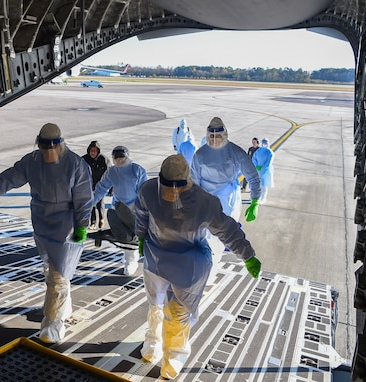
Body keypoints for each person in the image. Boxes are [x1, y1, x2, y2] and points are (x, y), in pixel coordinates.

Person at [135, 154, 262, 380]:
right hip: (167, 261)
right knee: (160, 306)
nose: (172, 193)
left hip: (179, 261)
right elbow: (142, 215)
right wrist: (141, 237)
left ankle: (165, 353)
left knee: (174, 310)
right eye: (168, 187)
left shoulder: (200, 201)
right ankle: (159, 349)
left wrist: (247, 255)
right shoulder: (152, 192)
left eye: (177, 188)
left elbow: (227, 230)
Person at [0, 123, 92, 343]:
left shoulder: (76, 165)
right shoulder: (32, 162)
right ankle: (64, 307)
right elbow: (7, 179)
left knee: (58, 276)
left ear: (60, 145)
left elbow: (83, 198)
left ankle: (52, 327)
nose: (48, 153)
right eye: (44, 149)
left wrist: (82, 224)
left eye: (52, 148)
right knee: (52, 273)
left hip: (65, 229)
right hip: (42, 226)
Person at [90, 146, 148, 276]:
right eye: (117, 158)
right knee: (124, 236)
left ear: (127, 157)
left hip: (136, 208)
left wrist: (141, 210)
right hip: (119, 207)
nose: (119, 160)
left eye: (122, 157)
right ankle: (129, 256)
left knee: (133, 237)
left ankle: (131, 260)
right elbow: (101, 188)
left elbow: (144, 191)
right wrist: (91, 203)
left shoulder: (137, 170)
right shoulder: (112, 172)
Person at [191, 117, 261, 222]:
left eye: (217, 136)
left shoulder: (235, 152)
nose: (214, 139)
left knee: (227, 233)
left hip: (229, 203)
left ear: (224, 135)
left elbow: (253, 176)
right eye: (212, 136)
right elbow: (193, 181)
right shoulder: (200, 154)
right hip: (205, 204)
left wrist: (255, 201)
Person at [82, 141, 110, 230]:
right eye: (91, 150)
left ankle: (102, 219)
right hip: (88, 185)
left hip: (100, 185)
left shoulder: (103, 160)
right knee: (91, 203)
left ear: (98, 151)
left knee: (100, 202)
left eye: (95, 151)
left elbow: (110, 174)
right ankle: (93, 221)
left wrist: (111, 189)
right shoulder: (84, 159)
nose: (93, 153)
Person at [252, 138, 275, 204]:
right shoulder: (259, 150)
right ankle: (257, 197)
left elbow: (269, 162)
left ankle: (263, 198)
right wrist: (256, 165)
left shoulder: (270, 152)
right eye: (263, 143)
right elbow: (254, 158)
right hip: (258, 170)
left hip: (266, 171)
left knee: (264, 185)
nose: (264, 144)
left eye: (266, 143)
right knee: (258, 184)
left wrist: (263, 167)